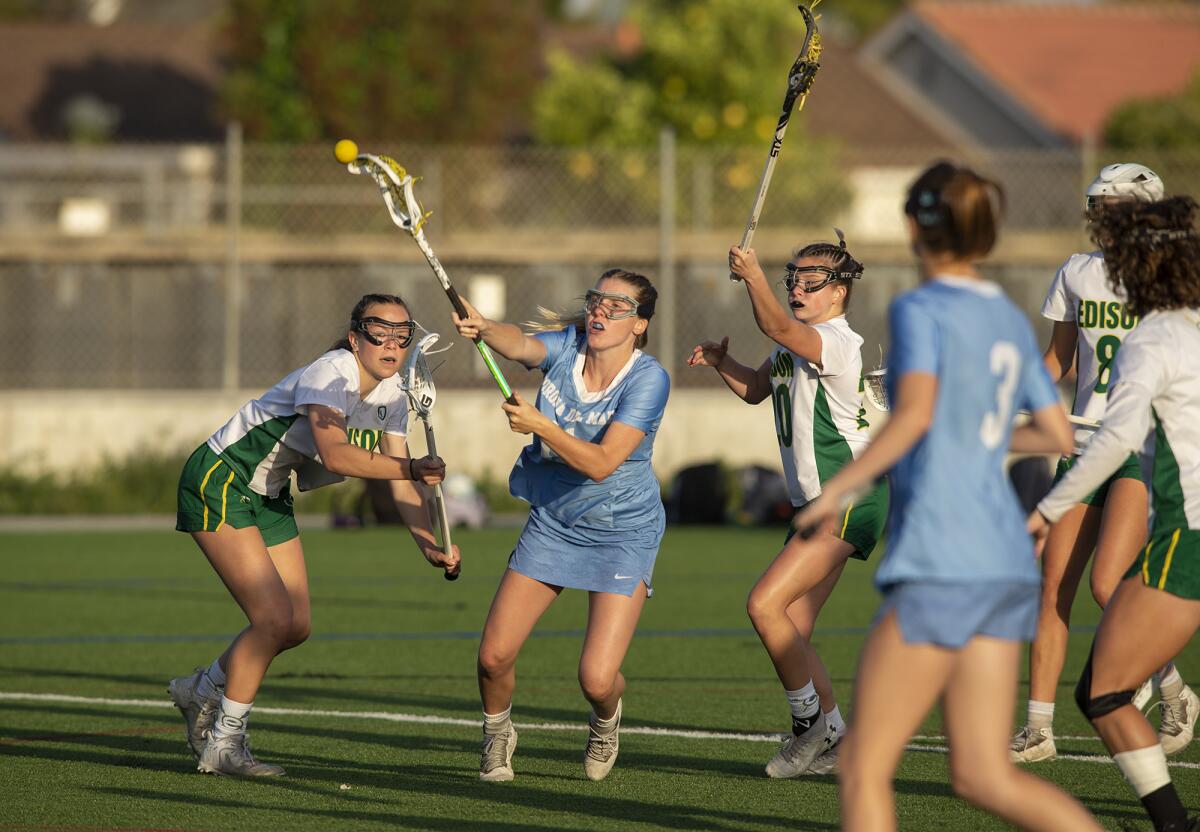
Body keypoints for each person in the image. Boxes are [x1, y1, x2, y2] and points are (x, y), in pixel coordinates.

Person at [796, 161, 1100, 831]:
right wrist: (978, 433)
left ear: (912, 226)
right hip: (1000, 561)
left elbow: (912, 418)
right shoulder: (1001, 314)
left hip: (944, 556)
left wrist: (838, 489)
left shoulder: (919, 307)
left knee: (865, 767)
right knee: (983, 774)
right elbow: (1053, 429)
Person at [168, 293, 460, 777]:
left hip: (268, 493)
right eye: (377, 331)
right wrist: (410, 465)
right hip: (222, 478)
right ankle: (223, 742)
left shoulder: (391, 394)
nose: (390, 343)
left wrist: (429, 542)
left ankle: (201, 690)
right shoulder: (331, 373)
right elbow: (336, 454)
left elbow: (404, 481)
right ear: (354, 338)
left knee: (295, 624)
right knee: (272, 619)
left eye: (401, 334)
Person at [451, 269, 670, 783]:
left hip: (622, 530)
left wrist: (542, 425)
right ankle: (498, 731)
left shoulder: (648, 379)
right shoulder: (568, 347)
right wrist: (484, 327)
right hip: (554, 520)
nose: (601, 311)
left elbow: (601, 464)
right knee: (493, 656)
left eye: (618, 306)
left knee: (596, 679)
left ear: (639, 324)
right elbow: (521, 345)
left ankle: (606, 719)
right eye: (598, 300)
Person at [1013, 163, 1196, 764]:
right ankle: (1038, 728)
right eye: (1099, 207)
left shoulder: (1168, 284)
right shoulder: (1078, 271)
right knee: (1053, 588)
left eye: (1114, 207)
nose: (1102, 218)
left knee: (1104, 583)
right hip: (1082, 443)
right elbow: (1058, 362)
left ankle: (1171, 690)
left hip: (1140, 447)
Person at [687, 231, 887, 777]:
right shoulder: (792, 344)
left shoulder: (839, 342)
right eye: (791, 278)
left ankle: (808, 725)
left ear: (840, 290)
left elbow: (776, 324)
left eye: (811, 280)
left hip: (849, 493)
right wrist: (722, 362)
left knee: (762, 605)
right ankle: (837, 736)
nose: (797, 287)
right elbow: (758, 389)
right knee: (791, 629)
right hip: (814, 506)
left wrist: (752, 275)